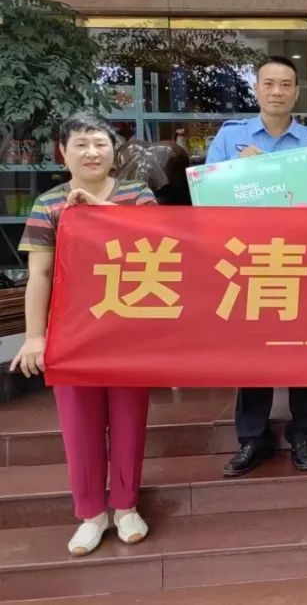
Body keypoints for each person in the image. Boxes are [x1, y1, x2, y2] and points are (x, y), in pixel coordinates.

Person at [10, 112, 157, 557]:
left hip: (130, 330)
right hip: (72, 334)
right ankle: (91, 514)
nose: (91, 152)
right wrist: (35, 337)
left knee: (129, 420)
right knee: (79, 425)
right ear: (63, 152)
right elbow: (39, 275)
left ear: (114, 152)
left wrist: (98, 212)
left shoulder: (138, 194)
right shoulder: (48, 204)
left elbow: (160, 242)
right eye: (81, 144)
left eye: (99, 143)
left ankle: (126, 506)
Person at [206, 56, 307, 476]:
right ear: (256, 89)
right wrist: (240, 172)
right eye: (269, 83)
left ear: (297, 92)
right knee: (253, 350)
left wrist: (302, 201)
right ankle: (252, 438)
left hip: (301, 262)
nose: (277, 92)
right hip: (247, 261)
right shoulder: (230, 138)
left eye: (286, 84)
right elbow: (208, 196)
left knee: (306, 347)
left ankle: (305, 433)